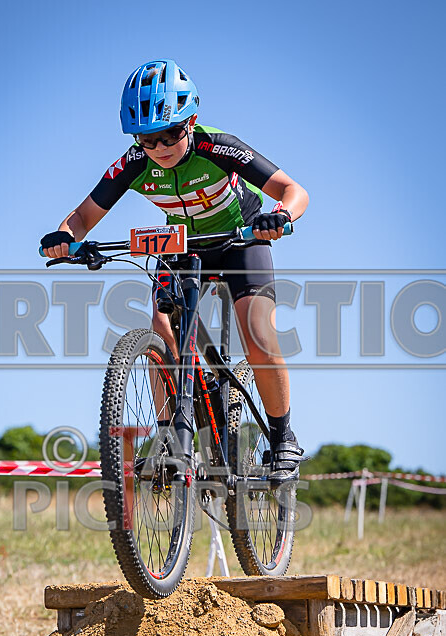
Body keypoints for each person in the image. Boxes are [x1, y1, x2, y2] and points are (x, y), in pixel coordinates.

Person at [41, 59, 309, 483]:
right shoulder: (134, 162)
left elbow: (294, 191)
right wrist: (64, 238)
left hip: (241, 238)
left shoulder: (218, 147)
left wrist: (281, 215)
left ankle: (282, 437)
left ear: (191, 123)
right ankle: (169, 438)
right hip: (181, 244)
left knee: (258, 332)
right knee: (161, 326)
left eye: (170, 134)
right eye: (148, 139)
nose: (160, 146)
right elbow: (82, 217)